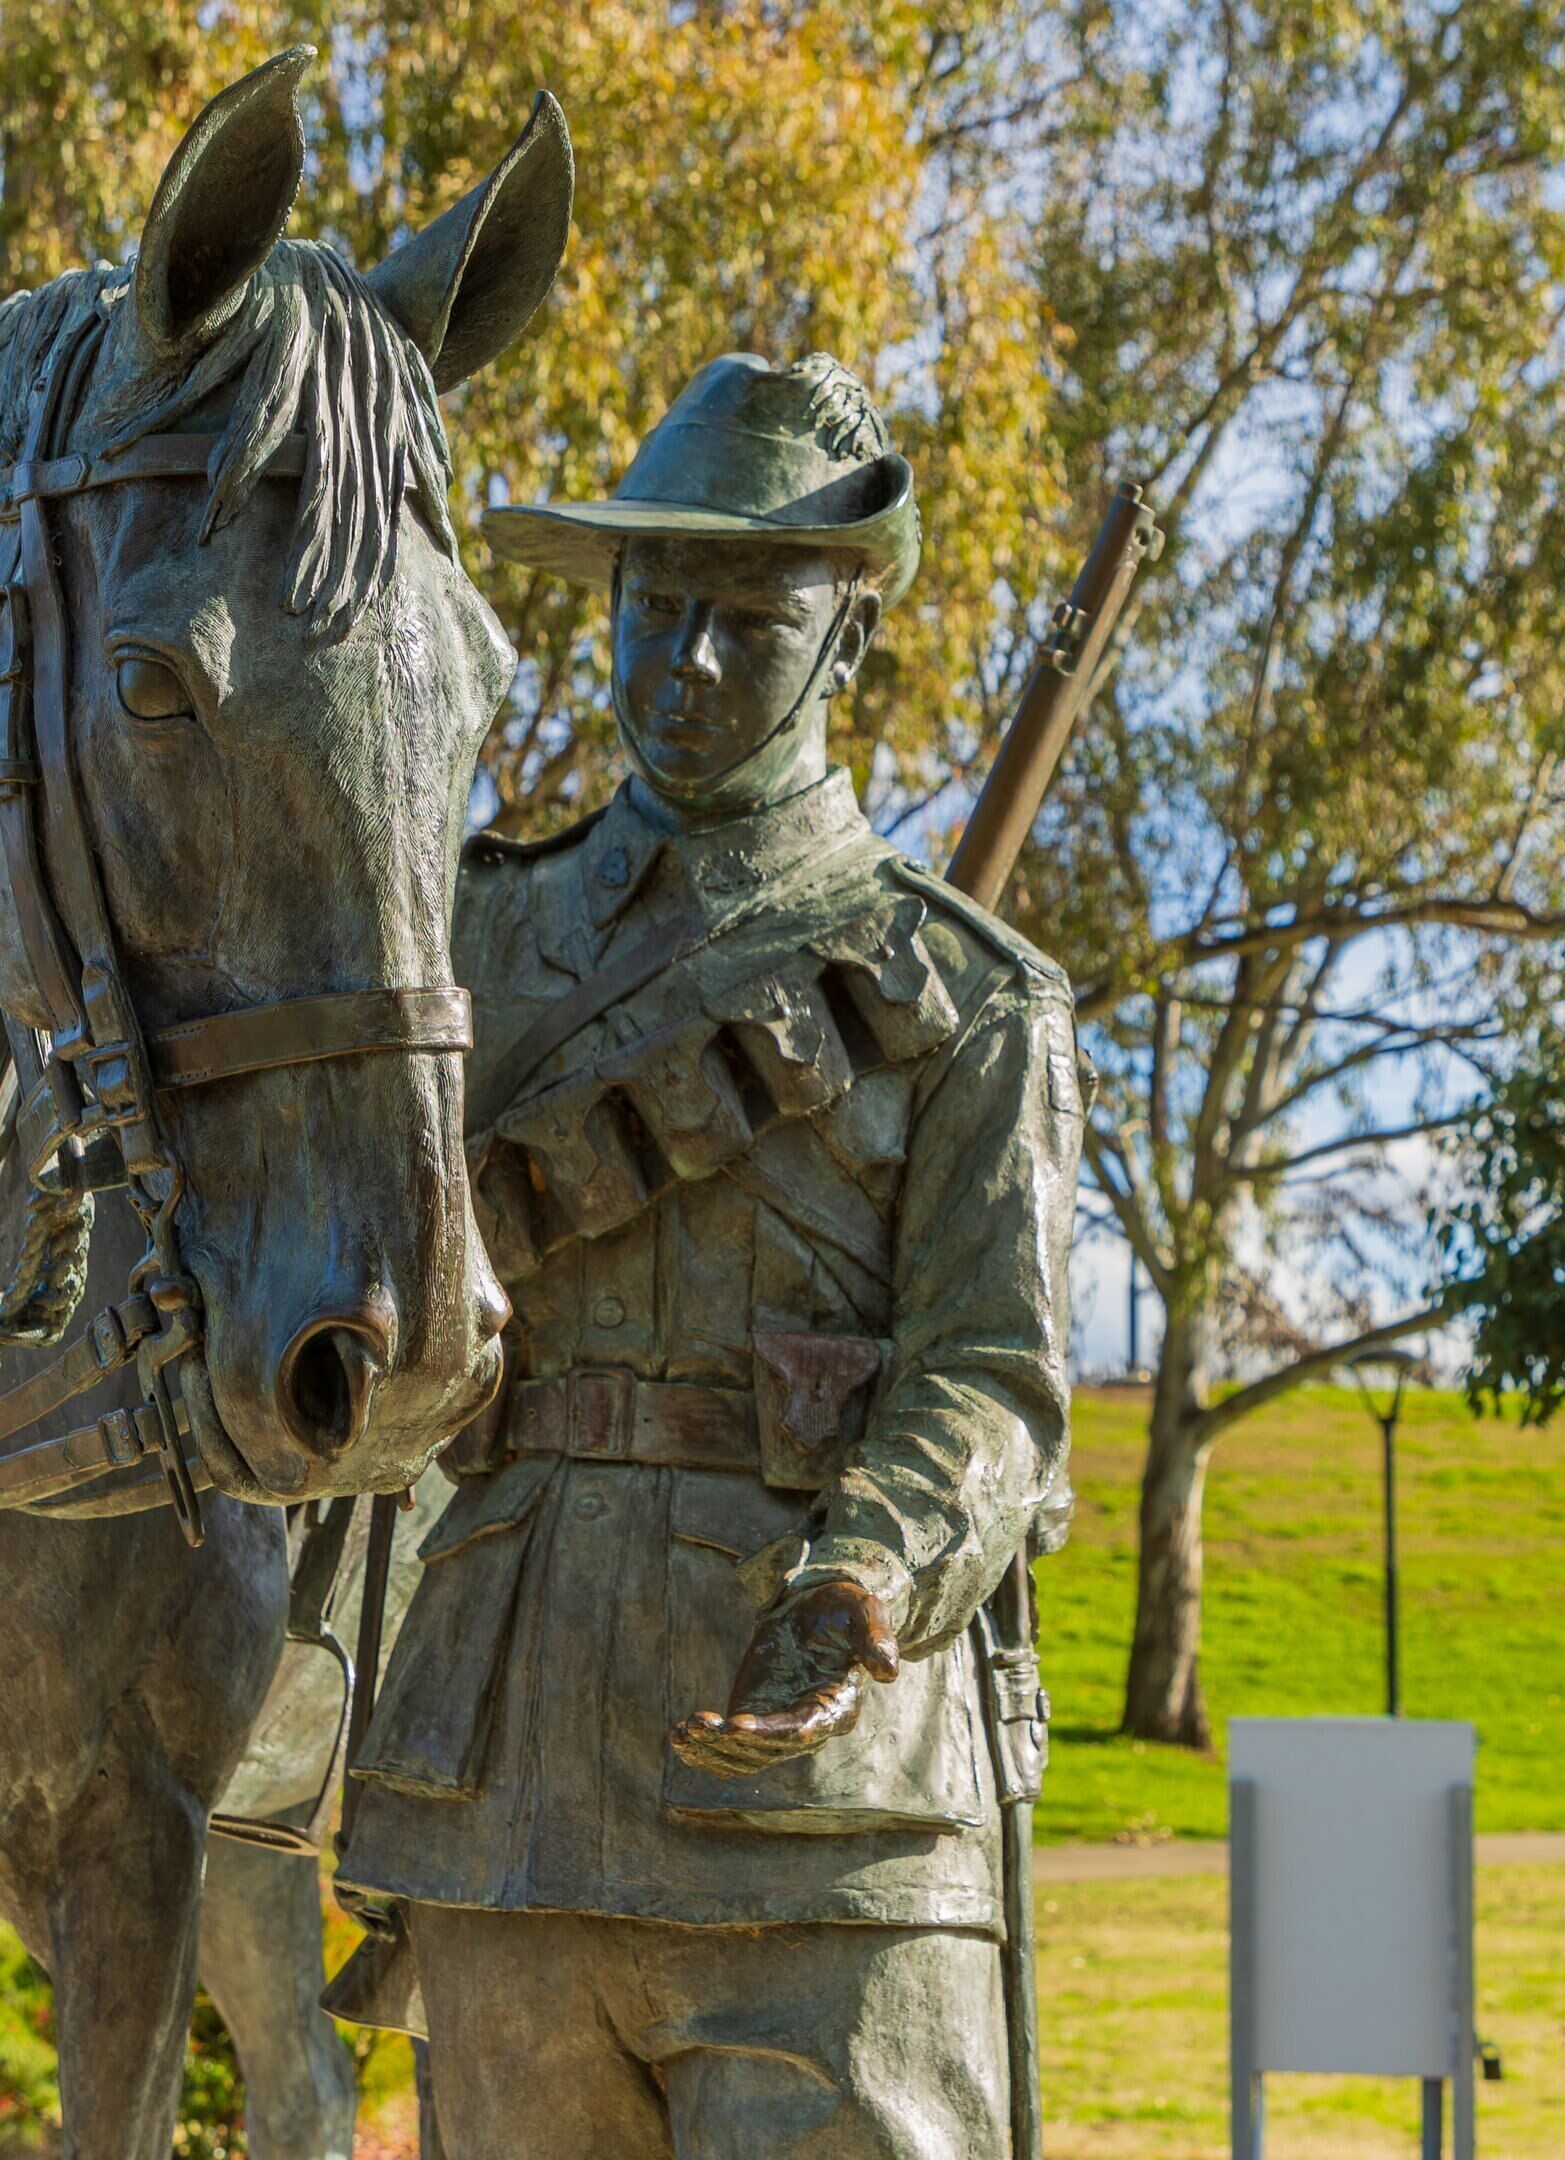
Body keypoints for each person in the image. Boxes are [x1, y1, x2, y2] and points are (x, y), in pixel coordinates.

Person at [332, 350, 1077, 2160]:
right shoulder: (461, 944)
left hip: (823, 1810)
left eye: (750, 622)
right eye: (654, 608)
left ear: (849, 642)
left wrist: (873, 1570)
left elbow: (995, 1378)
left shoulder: (965, 994)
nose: (684, 663)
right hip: (507, 1774)